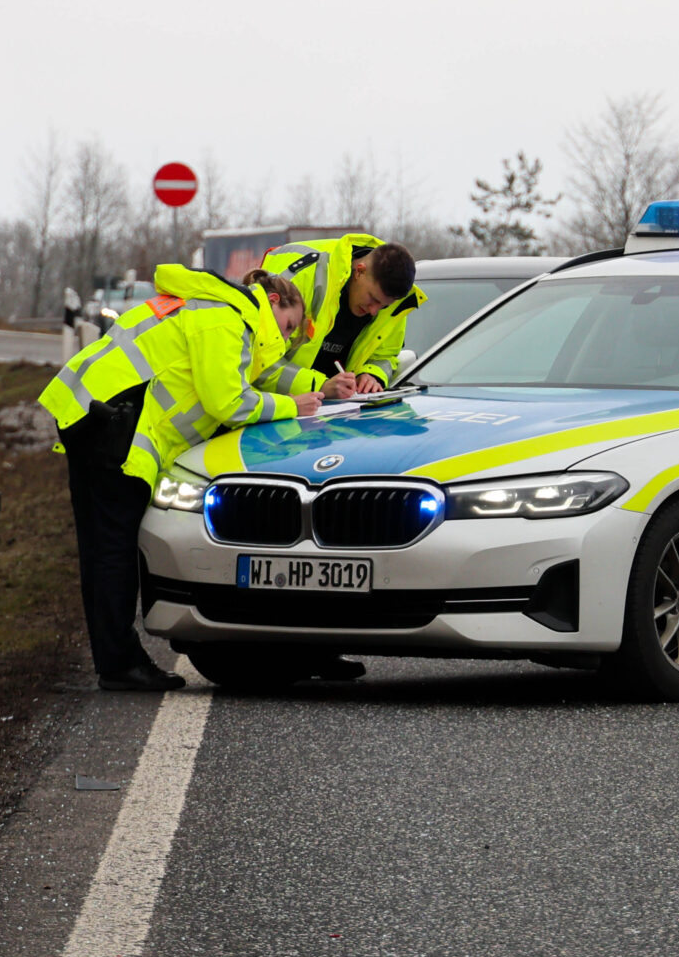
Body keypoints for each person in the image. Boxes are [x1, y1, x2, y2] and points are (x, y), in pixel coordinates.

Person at [38, 264, 316, 690]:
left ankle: (114, 660)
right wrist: (294, 406)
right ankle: (120, 664)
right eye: (289, 324)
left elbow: (229, 381)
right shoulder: (226, 318)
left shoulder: (209, 306)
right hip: (115, 426)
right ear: (272, 301)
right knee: (113, 551)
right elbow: (228, 402)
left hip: (92, 414)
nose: (285, 335)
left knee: (99, 550)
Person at [255, 234, 425, 401]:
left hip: (337, 410)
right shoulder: (301, 280)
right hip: (273, 407)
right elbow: (260, 361)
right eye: (373, 299)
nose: (374, 311)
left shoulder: (394, 302)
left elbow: (385, 355)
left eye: (383, 306)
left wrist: (372, 374)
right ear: (360, 271)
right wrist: (320, 386)